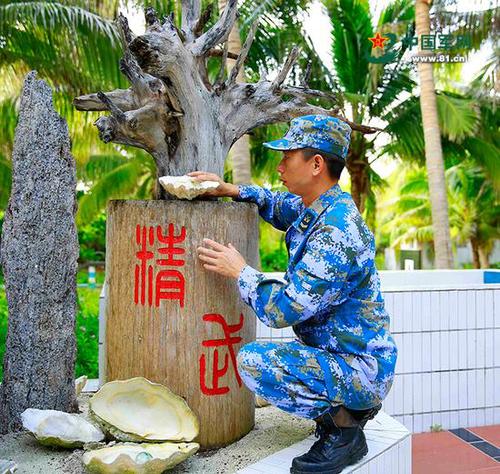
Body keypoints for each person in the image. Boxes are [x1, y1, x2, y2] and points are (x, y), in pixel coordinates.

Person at [190, 114, 397, 474]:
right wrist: (230, 189)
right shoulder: (316, 206)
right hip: (341, 357)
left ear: (316, 164)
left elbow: (283, 310)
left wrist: (240, 271)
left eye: (288, 156)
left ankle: (345, 431)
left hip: (360, 369)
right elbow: (274, 203)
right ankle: (348, 410)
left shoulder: (336, 231)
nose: (280, 164)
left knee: (255, 363)